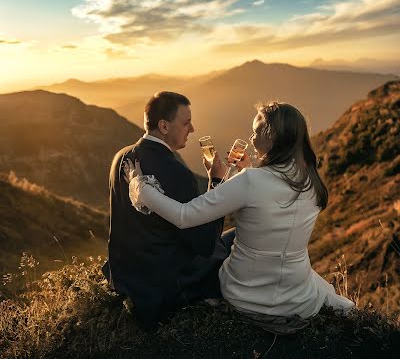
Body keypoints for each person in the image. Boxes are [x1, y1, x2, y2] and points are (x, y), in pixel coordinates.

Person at [128, 101, 355, 332]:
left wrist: (142, 189)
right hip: (298, 297)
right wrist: (246, 172)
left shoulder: (249, 181)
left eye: (256, 132)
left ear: (272, 136)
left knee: (215, 244)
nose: (252, 138)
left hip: (246, 296)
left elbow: (183, 216)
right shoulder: (310, 181)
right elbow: (270, 209)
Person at [102, 91, 232, 329]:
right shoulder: (176, 172)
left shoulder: (120, 158)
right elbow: (204, 244)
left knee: (227, 238)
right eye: (186, 123)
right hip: (164, 284)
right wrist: (217, 182)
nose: (191, 129)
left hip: (127, 276)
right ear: (163, 126)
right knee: (234, 239)